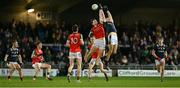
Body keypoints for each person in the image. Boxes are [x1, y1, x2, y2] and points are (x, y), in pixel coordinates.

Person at [102, 5, 118, 70]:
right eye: (107, 18)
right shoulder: (105, 22)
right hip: (111, 36)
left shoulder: (111, 21)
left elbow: (110, 15)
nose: (108, 18)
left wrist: (107, 10)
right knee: (110, 50)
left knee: (114, 52)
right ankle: (106, 63)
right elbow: (103, 17)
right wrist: (102, 10)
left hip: (115, 37)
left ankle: (104, 57)